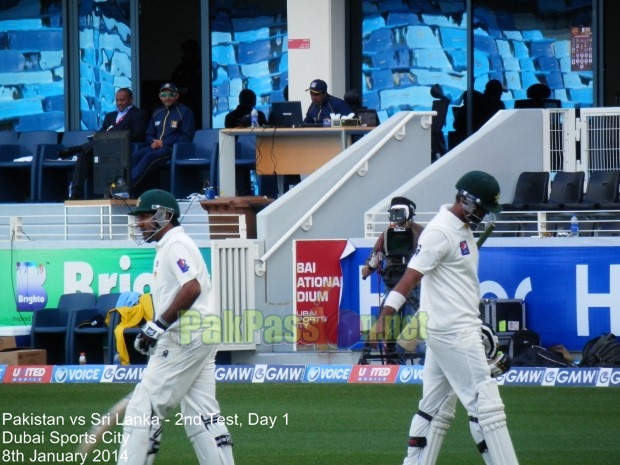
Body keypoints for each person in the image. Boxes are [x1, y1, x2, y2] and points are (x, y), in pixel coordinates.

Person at [370, 171, 519, 465]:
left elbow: (455, 284)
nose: (486, 216)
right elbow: (410, 278)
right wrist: (384, 317)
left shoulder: (461, 228)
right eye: (483, 209)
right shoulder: (440, 231)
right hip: (453, 333)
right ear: (466, 200)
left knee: (434, 409)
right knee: (487, 406)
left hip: (453, 329)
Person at [118, 188, 235, 465]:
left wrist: (158, 325)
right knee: (202, 414)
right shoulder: (172, 245)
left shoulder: (175, 244)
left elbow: (191, 287)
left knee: (142, 408)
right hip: (202, 334)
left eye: (144, 216)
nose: (139, 223)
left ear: (164, 215)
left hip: (184, 336)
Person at [361, 196, 424, 362]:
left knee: (412, 324)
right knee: (389, 323)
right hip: (392, 280)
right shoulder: (387, 233)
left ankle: (417, 360)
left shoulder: (420, 232)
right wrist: (369, 267)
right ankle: (392, 361)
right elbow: (376, 254)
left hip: (413, 284)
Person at [59, 88, 148, 200]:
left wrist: (114, 135)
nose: (119, 103)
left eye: (122, 100)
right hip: (104, 151)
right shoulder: (110, 116)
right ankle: (75, 193)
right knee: (84, 155)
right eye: (117, 100)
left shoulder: (139, 114)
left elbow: (137, 135)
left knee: (87, 149)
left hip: (123, 151)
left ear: (131, 100)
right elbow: (101, 133)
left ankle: (76, 148)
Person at [131, 83, 196, 196]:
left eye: (170, 94)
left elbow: (187, 136)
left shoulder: (184, 111)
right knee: (134, 156)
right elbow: (149, 134)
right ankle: (122, 185)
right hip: (155, 147)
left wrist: (164, 142)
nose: (167, 97)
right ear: (160, 97)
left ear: (176, 96)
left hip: (172, 149)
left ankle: (129, 187)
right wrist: (152, 142)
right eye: (164, 94)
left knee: (149, 157)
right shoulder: (157, 112)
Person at [452, 79, 506, 146]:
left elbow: (456, 124)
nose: (501, 95)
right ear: (496, 93)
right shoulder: (497, 105)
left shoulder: (473, 104)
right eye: (500, 93)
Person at [171, 39, 203, 128]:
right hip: (180, 102)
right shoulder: (180, 67)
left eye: (190, 51)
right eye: (185, 51)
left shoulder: (202, 66)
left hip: (196, 104)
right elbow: (172, 85)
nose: (187, 53)